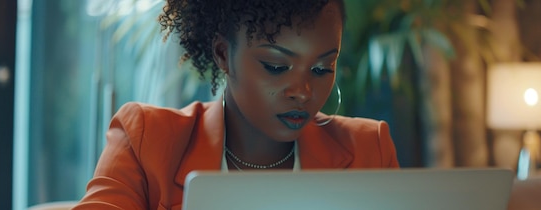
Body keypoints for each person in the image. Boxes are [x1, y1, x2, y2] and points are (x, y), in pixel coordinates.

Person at [73, 0, 399, 209]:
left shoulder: (370, 149)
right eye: (275, 66)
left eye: (321, 69)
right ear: (222, 55)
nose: (302, 92)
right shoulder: (146, 139)